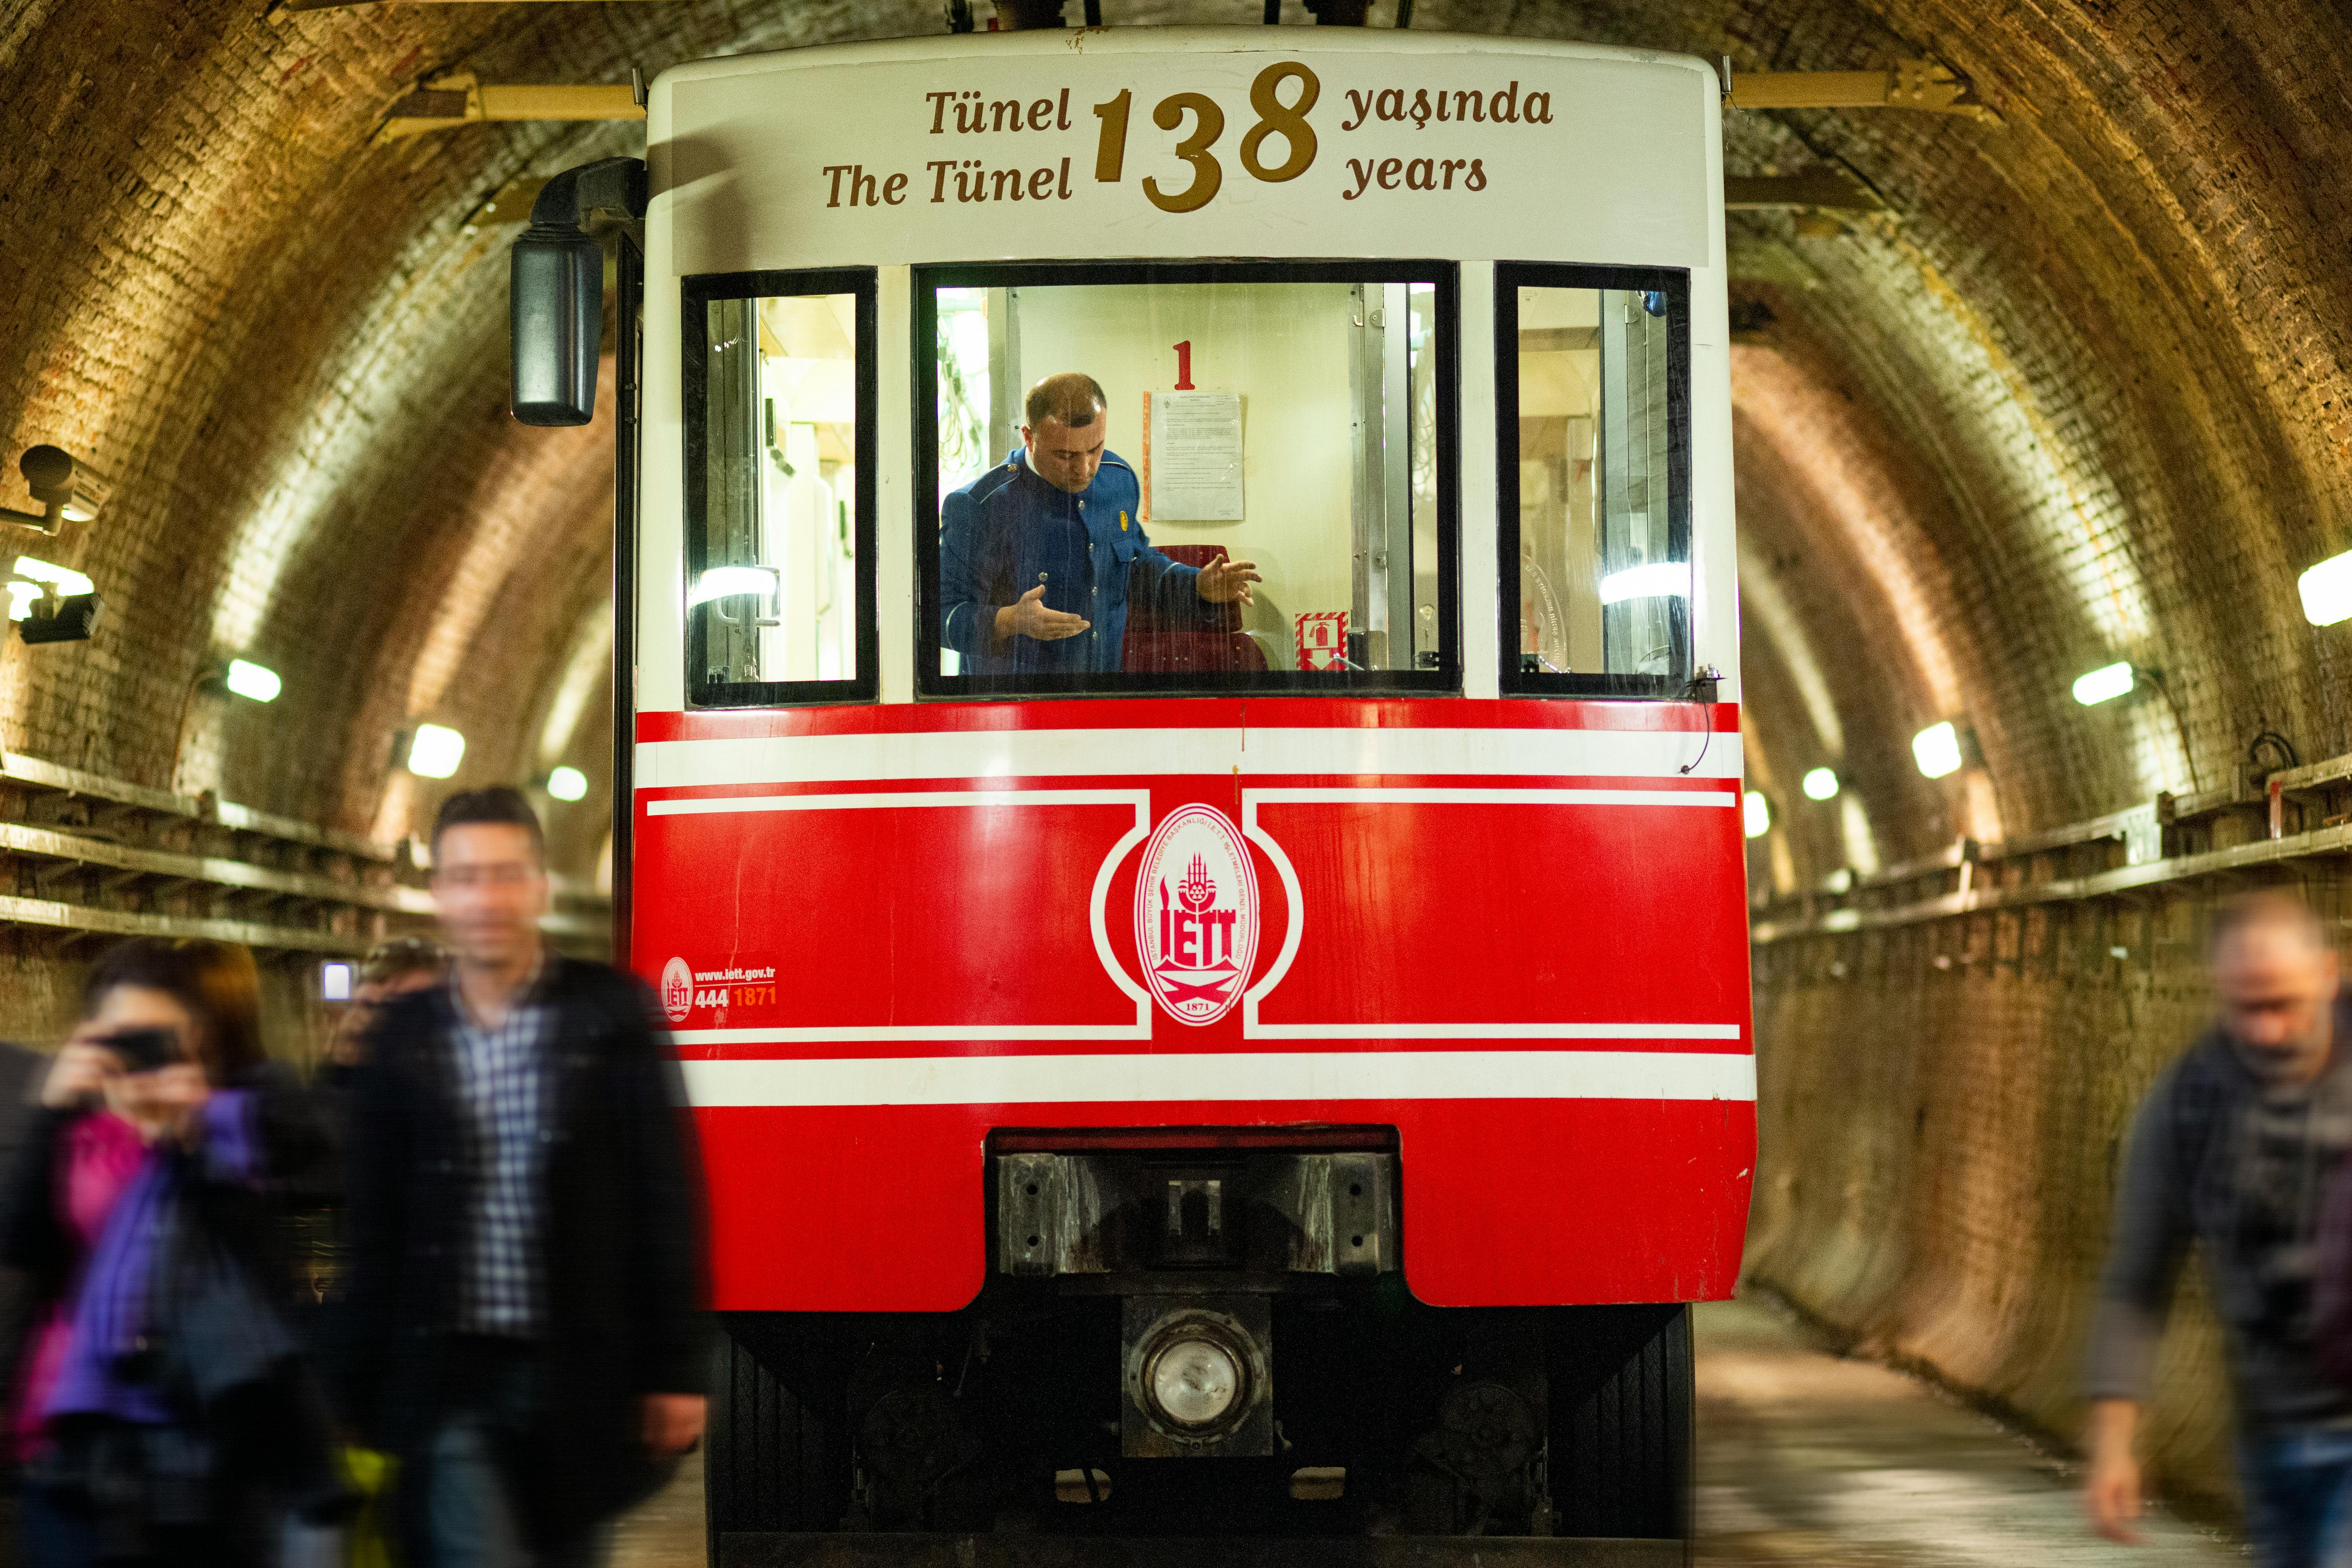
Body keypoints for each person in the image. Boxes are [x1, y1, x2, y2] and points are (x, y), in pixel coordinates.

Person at [336, 787, 705, 1568]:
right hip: (451, 1377)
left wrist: (674, 1370)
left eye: (505, 873)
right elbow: (375, 1228)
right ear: (437, 892)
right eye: (465, 875)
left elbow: (662, 1196)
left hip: (576, 1370)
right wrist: (354, 1383)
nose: (486, 896)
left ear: (540, 883)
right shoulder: (403, 1037)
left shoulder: (610, 1014)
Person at [3, 939, 341, 1566]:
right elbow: (23, 1245)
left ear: (198, 1044)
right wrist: (50, 1113)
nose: (140, 1062)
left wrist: (190, 1140)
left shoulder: (235, 1128)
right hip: (73, 1449)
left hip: (204, 1449)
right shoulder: (75, 1134)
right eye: (122, 1040)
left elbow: (267, 1272)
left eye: (157, 1041)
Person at [2083, 890, 2352, 1567]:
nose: (2264, 1028)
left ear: (2327, 974)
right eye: (2243, 1006)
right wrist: (2114, 1442)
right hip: (2268, 1435)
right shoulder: (2188, 1103)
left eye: (2282, 1002)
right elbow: (2136, 1281)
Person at [939, 371, 1262, 676]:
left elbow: (1135, 566)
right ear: (1029, 437)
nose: (1085, 468)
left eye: (1095, 448)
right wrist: (1009, 621)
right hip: (1019, 707)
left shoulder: (1118, 479)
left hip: (1105, 696)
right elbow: (935, 617)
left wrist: (1197, 585)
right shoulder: (979, 507)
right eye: (1065, 456)